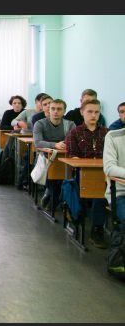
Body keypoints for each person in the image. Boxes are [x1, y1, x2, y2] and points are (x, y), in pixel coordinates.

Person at [64, 98, 108, 248]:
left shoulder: (106, 133)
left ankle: (97, 229)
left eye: (96, 112)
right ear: (82, 112)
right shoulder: (74, 133)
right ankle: (78, 218)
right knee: (93, 192)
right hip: (81, 175)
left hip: (103, 175)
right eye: (90, 112)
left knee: (100, 195)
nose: (93, 115)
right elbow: (72, 156)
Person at [33, 99, 75, 209]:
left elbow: (73, 141)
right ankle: (54, 197)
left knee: (63, 174)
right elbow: (38, 143)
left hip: (64, 157)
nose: (56, 111)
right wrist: (55, 145)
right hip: (44, 157)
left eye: (59, 109)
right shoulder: (40, 124)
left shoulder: (70, 124)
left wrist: (64, 145)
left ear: (64, 111)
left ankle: (52, 197)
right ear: (49, 110)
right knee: (53, 173)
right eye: (53, 109)